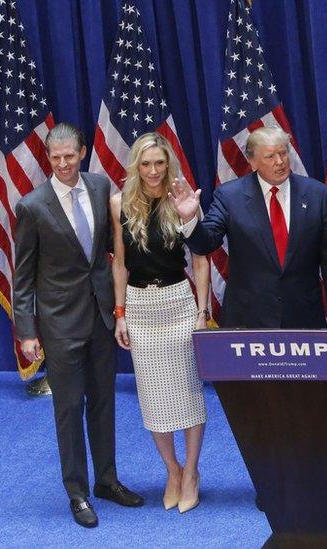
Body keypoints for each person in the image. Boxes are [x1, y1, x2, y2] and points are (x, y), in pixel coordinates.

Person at [13, 123, 144, 528]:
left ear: (82, 152)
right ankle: (77, 492)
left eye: (70, 156)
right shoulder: (32, 206)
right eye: (56, 158)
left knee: (104, 402)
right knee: (69, 408)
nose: (64, 164)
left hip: (102, 316)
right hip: (59, 322)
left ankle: (107, 480)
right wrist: (27, 331)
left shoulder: (102, 187)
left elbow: (112, 247)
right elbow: (23, 275)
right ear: (48, 160)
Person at [110, 133, 209, 514]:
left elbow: (200, 260)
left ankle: (192, 473)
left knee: (187, 392)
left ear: (169, 164)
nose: (153, 171)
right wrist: (120, 313)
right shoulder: (120, 203)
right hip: (139, 307)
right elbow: (119, 262)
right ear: (137, 165)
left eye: (160, 163)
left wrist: (202, 312)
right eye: (146, 164)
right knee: (153, 398)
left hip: (179, 304)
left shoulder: (182, 200)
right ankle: (172, 470)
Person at [170, 125, 327, 331]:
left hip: (303, 315)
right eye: (270, 157)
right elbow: (205, 243)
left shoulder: (316, 194)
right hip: (248, 318)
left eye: (283, 153)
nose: (280, 162)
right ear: (252, 162)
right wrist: (190, 218)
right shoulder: (230, 196)